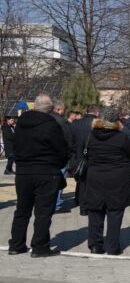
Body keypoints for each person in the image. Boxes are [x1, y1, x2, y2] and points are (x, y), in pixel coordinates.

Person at [8, 94, 69, 258]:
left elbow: (14, 145)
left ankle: (16, 244)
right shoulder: (51, 124)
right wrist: (60, 163)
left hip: (23, 171)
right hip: (45, 171)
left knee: (22, 209)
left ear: (35, 106)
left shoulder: (21, 123)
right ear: (49, 109)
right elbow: (61, 148)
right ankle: (39, 246)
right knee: (43, 211)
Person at [81, 107, 130, 255]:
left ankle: (95, 245)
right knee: (115, 212)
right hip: (117, 178)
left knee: (95, 212)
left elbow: (85, 155)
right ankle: (113, 247)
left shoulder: (91, 135)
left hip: (95, 178)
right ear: (116, 120)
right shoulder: (121, 137)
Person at [70, 105, 99, 215]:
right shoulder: (98, 124)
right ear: (96, 113)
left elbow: (70, 142)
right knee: (93, 183)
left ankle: (82, 206)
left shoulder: (75, 124)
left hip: (78, 157)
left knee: (82, 182)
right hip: (94, 158)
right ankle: (92, 205)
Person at [50, 101, 72, 214]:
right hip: (60, 156)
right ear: (59, 109)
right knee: (60, 179)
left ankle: (51, 203)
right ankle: (57, 204)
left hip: (49, 156)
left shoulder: (47, 118)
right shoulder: (61, 121)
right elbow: (67, 139)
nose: (64, 112)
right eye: (63, 110)